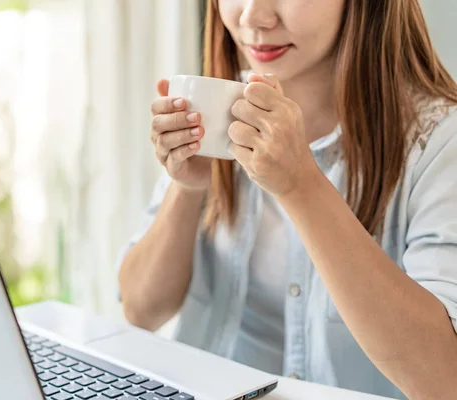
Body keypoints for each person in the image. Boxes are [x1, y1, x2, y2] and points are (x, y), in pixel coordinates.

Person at [117, 0, 457, 399]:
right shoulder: (215, 108)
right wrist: (188, 188)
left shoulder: (438, 142)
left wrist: (300, 186)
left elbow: (444, 380)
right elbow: (139, 311)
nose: (253, 17)